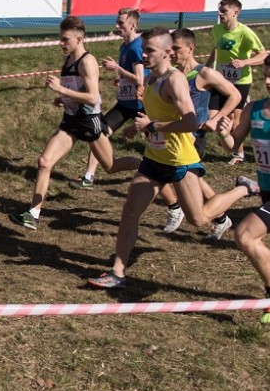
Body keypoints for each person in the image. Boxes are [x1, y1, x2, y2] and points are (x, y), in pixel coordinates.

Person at [87, 27, 259, 290]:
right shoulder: (152, 79)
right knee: (130, 212)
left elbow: (190, 121)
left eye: (149, 51)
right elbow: (156, 113)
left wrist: (154, 125)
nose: (143, 54)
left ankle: (242, 189)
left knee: (199, 219)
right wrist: (138, 126)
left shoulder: (174, 79)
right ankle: (117, 273)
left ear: (167, 52)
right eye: (143, 49)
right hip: (155, 158)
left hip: (181, 159)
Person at [9, 16, 139, 231]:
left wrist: (61, 90)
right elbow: (77, 92)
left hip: (89, 123)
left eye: (65, 39)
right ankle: (33, 214)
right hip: (70, 121)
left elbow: (92, 97)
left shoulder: (87, 62)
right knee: (44, 162)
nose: (61, 43)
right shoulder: (68, 59)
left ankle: (147, 165)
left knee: (111, 166)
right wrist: (64, 99)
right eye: (60, 39)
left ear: (79, 39)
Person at [157, 27, 240, 237]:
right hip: (173, 136)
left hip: (193, 137)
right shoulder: (171, 74)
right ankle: (221, 218)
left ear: (191, 48)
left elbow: (235, 95)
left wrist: (216, 118)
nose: (172, 53)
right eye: (170, 49)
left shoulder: (204, 74)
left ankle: (185, 211)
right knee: (192, 180)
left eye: (177, 48)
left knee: (177, 177)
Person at [73, 8, 146, 190]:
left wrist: (117, 69)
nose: (116, 26)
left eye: (120, 23)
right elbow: (130, 77)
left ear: (133, 25)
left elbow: (139, 79)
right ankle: (89, 177)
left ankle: (156, 168)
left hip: (142, 104)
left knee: (159, 143)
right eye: (117, 22)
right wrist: (120, 80)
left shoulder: (137, 46)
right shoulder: (124, 46)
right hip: (124, 104)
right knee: (99, 133)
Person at [220, 67, 270, 324]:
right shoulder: (255, 109)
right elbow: (233, 146)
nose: (269, 81)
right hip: (266, 190)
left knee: (245, 235)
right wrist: (225, 133)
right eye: (267, 76)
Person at [205, 0, 267, 164]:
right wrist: (206, 68)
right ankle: (226, 137)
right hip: (220, 79)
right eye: (220, 10)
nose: (220, 14)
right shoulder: (216, 29)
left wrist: (244, 62)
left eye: (224, 11)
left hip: (241, 81)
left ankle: (238, 154)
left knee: (236, 121)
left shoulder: (245, 32)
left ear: (236, 13)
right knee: (213, 115)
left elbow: (263, 54)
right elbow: (215, 49)